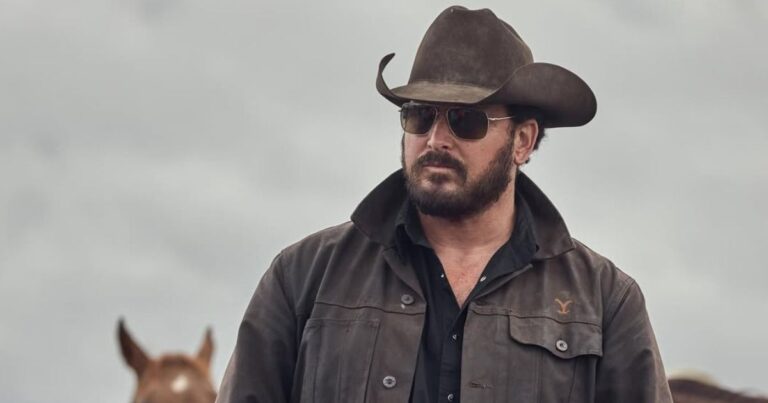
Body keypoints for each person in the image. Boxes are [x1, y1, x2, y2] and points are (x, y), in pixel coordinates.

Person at [217, 6, 673, 403]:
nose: (436, 139)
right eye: (419, 115)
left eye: (464, 120)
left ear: (522, 140)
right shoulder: (303, 277)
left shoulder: (605, 302)